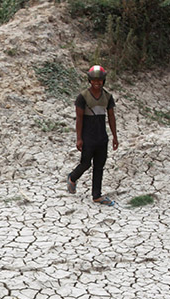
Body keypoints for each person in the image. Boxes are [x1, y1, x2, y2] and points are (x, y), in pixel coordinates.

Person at [67, 65, 119, 206]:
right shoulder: (83, 97)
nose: (97, 83)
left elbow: (111, 117)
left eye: (100, 80)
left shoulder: (107, 97)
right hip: (88, 136)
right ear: (90, 81)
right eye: (94, 80)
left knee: (99, 166)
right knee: (85, 163)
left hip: (102, 136)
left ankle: (97, 195)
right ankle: (72, 177)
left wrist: (114, 136)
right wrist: (79, 138)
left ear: (104, 81)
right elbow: (79, 119)